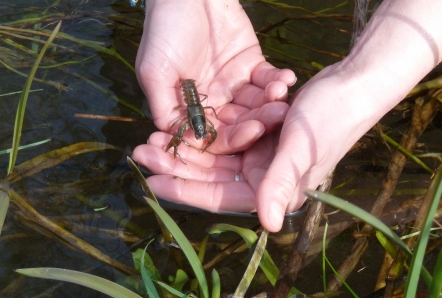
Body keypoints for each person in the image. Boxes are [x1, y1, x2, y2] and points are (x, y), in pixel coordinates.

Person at [133, 0, 442, 232]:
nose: (203, 133)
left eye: (204, 131)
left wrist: (361, 82)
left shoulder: (200, 117)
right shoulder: (194, 108)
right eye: (203, 132)